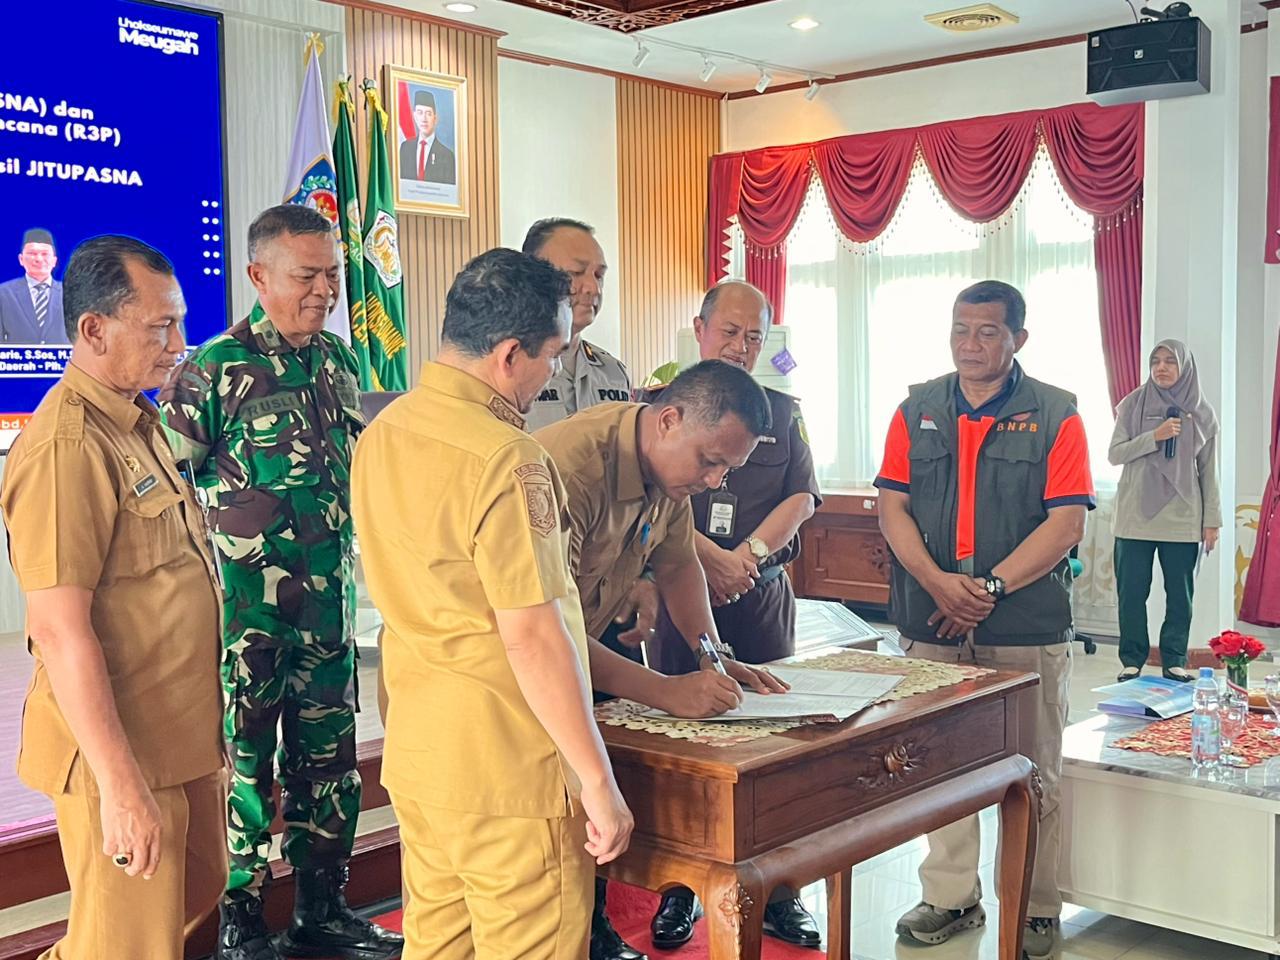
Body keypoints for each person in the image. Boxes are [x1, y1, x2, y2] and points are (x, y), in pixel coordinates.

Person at [352, 247, 634, 959]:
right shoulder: (509, 457)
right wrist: (596, 780)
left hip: (421, 752)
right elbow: (533, 636)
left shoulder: (382, 431)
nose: (552, 375)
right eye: (552, 356)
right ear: (510, 355)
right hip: (509, 767)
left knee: (438, 944)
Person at [159, 205, 402, 960]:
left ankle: (323, 909)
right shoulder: (213, 369)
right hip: (246, 621)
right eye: (307, 276)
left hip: (326, 611)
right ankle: (240, 919)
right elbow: (169, 494)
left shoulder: (338, 360)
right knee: (246, 766)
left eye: (333, 274)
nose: (325, 290)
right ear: (259, 276)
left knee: (328, 761)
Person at [0, 235, 226, 958]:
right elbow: (59, 630)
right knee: (127, 947)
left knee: (193, 899)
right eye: (160, 327)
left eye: (179, 323)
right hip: (123, 755)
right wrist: (121, 786)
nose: (179, 345)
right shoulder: (68, 446)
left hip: (179, 740)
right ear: (94, 330)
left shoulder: (137, 422)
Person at [535, 358, 788, 960]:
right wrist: (666, 691)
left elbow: (677, 563)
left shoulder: (670, 473)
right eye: (710, 461)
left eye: (728, 468)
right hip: (526, 667)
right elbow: (549, 633)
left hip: (583, 648)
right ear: (669, 419)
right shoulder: (571, 470)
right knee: (548, 836)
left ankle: (591, 931)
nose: (715, 481)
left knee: (588, 812)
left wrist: (712, 655)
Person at [873, 280, 1093, 960]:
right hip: (930, 620)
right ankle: (950, 897)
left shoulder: (1056, 414)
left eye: (988, 332)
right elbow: (892, 508)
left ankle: (1035, 906)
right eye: (960, 330)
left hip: (1024, 625)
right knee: (938, 766)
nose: (970, 345)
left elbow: (1066, 522)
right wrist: (938, 583)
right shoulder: (916, 409)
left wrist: (990, 588)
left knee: (1034, 772)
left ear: (1018, 339)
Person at [639, 281, 822, 950]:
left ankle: (782, 890)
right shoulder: (659, 401)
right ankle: (680, 888)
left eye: (754, 336)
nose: (742, 346)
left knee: (774, 743)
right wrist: (708, 557)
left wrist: (748, 556)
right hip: (680, 593)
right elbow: (652, 498)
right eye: (730, 332)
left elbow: (802, 496)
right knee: (685, 745)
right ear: (700, 329)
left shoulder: (783, 410)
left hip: (760, 593)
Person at [1109, 339, 1221, 683]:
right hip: (1134, 517)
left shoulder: (1202, 413)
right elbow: (1115, 454)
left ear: (1185, 367)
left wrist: (1212, 522)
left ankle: (1174, 660)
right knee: (1131, 593)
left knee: (1180, 597)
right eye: (1155, 361)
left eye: (1170, 361)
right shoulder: (1132, 404)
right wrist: (1154, 436)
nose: (1161, 367)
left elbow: (1209, 471)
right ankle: (1131, 659)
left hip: (1183, 517)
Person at [522, 218, 631, 433]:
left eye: (599, 275)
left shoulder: (613, 372)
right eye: (576, 273)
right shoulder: (511, 369)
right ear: (532, 277)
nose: (594, 288)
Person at [0, 227, 67, 344]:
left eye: (45, 254)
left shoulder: (70, 293)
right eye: (32, 253)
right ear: (21, 259)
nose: (38, 259)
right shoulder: (4, 293)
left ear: (54, 261)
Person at [397, 88, 456, 184]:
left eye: (428, 114)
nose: (424, 119)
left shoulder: (447, 155)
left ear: (435, 118)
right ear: (414, 116)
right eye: (420, 113)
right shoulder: (405, 148)